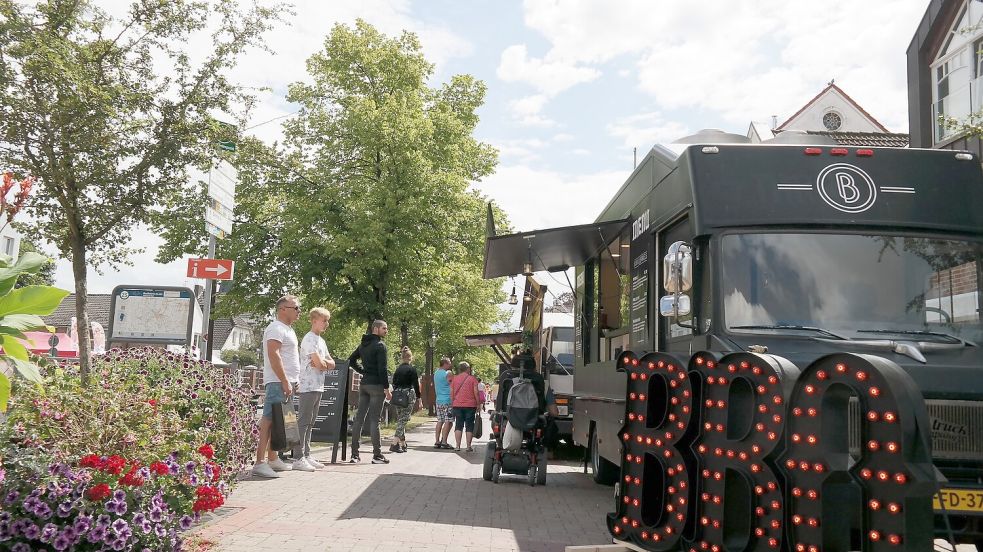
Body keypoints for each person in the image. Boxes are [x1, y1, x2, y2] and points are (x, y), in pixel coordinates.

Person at [252, 295, 302, 478]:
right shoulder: (275, 328)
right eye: (296, 308)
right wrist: (284, 380)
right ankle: (259, 462)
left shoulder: (288, 330)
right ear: (283, 309)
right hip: (277, 381)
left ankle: (273, 458)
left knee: (279, 420)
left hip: (286, 381)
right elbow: (274, 355)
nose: (299, 312)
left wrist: (293, 379)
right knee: (269, 420)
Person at [292, 307, 335, 471]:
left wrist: (323, 363)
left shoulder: (321, 341)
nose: (327, 324)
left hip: (318, 385)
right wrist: (323, 363)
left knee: (311, 422)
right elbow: (320, 364)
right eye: (324, 320)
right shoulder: (309, 339)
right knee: (303, 421)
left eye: (327, 321)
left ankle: (307, 454)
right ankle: (297, 457)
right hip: (308, 385)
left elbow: (331, 363)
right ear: (314, 320)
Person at [348, 320, 392, 464]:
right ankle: (377, 455)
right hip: (377, 386)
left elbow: (351, 360)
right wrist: (386, 388)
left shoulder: (362, 345)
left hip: (364, 384)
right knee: (375, 420)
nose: (386, 331)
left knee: (359, 418)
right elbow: (382, 369)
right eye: (384, 328)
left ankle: (354, 455)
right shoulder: (380, 346)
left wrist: (363, 371)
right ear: (376, 329)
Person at [390, 346, 422, 453]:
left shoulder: (398, 369)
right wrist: (419, 398)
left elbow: (393, 383)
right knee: (404, 420)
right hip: (408, 394)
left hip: (398, 394)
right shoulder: (412, 369)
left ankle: (403, 444)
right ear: (410, 358)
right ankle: (394, 443)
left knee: (401, 419)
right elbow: (416, 385)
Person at [450, 361, 480, 452]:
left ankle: (457, 446)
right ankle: (468, 446)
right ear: (468, 369)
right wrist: (478, 403)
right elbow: (476, 392)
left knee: (458, 425)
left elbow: (452, 392)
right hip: (470, 405)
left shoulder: (454, 379)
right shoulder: (472, 379)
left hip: (457, 405)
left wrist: (453, 403)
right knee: (469, 425)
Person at [433, 357, 454, 449]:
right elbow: (452, 385)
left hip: (438, 400)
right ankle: (444, 442)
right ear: (445, 363)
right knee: (448, 421)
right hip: (447, 400)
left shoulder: (436, 373)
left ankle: (437, 441)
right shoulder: (447, 373)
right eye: (449, 363)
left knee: (440, 420)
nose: (450, 365)